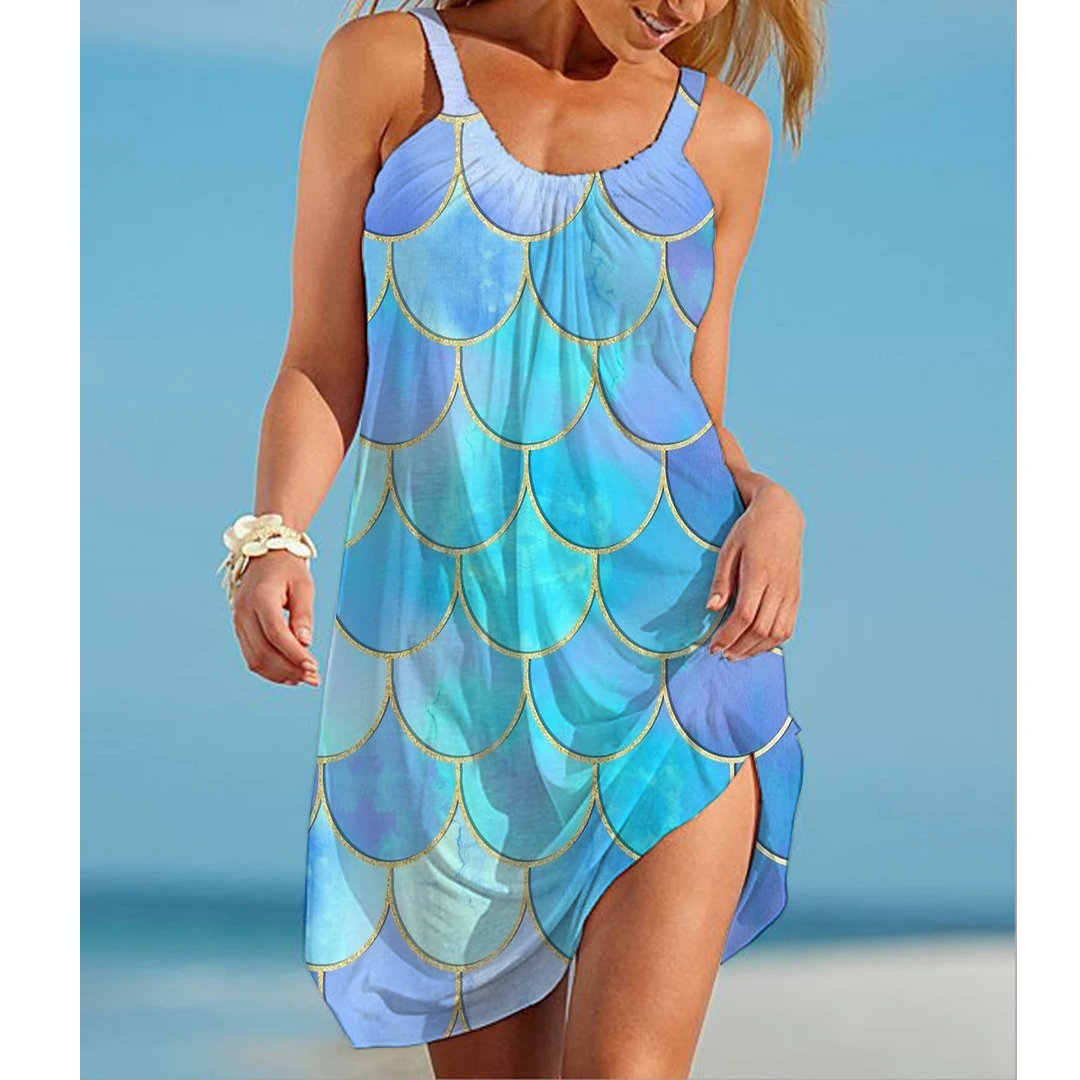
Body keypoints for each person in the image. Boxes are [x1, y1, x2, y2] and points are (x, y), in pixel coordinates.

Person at [219, 1, 823, 1076]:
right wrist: (274, 533)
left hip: (669, 671)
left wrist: (773, 504)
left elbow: (691, 411)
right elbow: (321, 353)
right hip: (454, 705)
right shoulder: (388, 69)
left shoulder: (723, 139)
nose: (686, 8)